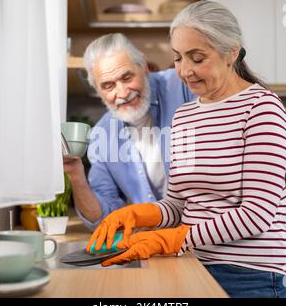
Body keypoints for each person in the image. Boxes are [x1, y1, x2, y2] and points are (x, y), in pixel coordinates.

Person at [87, 1, 286, 298]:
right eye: (178, 58)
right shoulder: (185, 116)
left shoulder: (262, 108)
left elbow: (256, 214)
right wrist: (137, 215)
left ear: (232, 52)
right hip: (193, 265)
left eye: (197, 58)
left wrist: (172, 239)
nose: (185, 71)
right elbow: (178, 206)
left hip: (255, 275)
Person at [63, 33, 195, 230]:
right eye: (108, 86)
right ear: (97, 90)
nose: (123, 93)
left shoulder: (182, 86)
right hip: (156, 247)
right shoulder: (102, 134)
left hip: (208, 234)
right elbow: (103, 219)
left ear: (143, 66)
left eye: (127, 77)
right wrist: (76, 176)